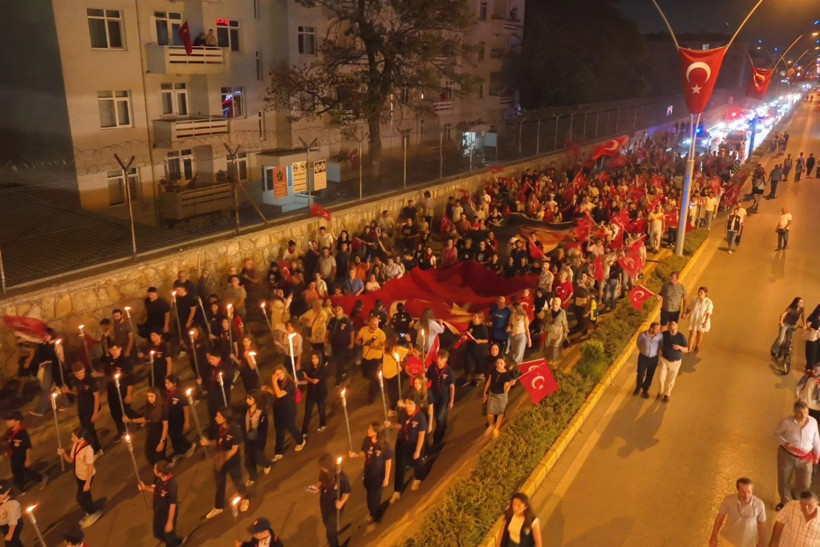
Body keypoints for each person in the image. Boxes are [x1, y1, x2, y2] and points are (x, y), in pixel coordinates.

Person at [200, 408, 250, 518]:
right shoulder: (219, 428)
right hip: (221, 458)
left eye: (218, 416)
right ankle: (218, 507)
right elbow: (219, 441)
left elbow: (234, 449)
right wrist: (207, 443)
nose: (215, 418)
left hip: (232, 461)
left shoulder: (234, 429)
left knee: (237, 481)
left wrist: (224, 459)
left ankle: (245, 498)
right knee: (220, 484)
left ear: (225, 418)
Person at [773, 401, 820, 511]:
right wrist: (785, 443)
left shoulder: (813, 422)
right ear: (794, 412)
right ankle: (785, 502)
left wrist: (817, 454)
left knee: (805, 483)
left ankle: (797, 498)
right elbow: (776, 434)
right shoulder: (786, 422)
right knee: (784, 479)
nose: (803, 415)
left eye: (806, 412)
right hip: (786, 455)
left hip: (805, 458)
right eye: (800, 413)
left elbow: (816, 439)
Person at [349, 422, 393, 524]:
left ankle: (376, 515)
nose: (368, 431)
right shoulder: (367, 440)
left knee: (374, 498)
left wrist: (386, 478)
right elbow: (363, 453)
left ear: (376, 432)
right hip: (368, 473)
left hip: (379, 476)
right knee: (369, 496)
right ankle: (373, 512)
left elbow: (388, 462)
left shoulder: (384, 445)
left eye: (370, 429)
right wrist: (356, 455)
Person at [58, 428, 102, 528]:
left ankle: (92, 513)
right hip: (79, 475)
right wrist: (63, 453)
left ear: (81, 438)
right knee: (85, 496)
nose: (72, 439)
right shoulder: (76, 445)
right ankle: (90, 512)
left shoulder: (88, 450)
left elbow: (90, 467)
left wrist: (87, 483)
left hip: (86, 476)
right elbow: (70, 460)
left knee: (80, 498)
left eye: (74, 437)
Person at [388, 395, 427, 502]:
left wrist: (418, 450)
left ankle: (418, 478)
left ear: (415, 405)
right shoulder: (403, 413)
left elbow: (421, 435)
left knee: (417, 461)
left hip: (414, 444)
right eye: (406, 403)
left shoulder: (420, 417)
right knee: (400, 467)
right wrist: (391, 425)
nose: (408, 406)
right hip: (402, 443)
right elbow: (400, 425)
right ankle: (397, 491)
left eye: (410, 404)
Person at [707, 477, 766, 547]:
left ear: (752, 491)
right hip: (729, 541)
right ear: (738, 490)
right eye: (743, 492)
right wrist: (714, 536)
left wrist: (761, 542)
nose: (746, 495)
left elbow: (761, 524)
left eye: (748, 492)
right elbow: (720, 519)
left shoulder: (759, 504)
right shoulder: (728, 500)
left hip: (749, 543)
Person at [308, 452, 351, 547]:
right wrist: (315, 487)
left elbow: (347, 492)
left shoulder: (341, 477)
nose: (322, 469)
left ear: (329, 466)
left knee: (330, 532)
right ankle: (334, 534)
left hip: (335, 507)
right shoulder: (323, 472)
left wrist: (341, 502)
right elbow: (320, 481)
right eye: (321, 467)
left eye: (324, 467)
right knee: (326, 522)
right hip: (324, 503)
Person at [138, 460, 183, 547]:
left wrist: (170, 522)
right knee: (157, 533)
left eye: (155, 469)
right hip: (158, 512)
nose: (153, 470)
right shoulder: (159, 479)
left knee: (169, 535)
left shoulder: (171, 485)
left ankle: (173, 543)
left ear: (160, 473)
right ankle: (176, 541)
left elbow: (173, 505)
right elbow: (157, 491)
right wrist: (145, 488)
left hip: (167, 513)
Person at [265, 366, 305, 461]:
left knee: (291, 427)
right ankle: (278, 452)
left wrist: (273, 381)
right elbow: (276, 393)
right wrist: (268, 389)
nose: (279, 375)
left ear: (285, 372)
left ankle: (300, 441)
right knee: (279, 431)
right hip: (278, 410)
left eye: (280, 373)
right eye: (276, 374)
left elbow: (279, 394)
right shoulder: (279, 382)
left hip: (288, 410)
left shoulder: (290, 383)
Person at [123, 386, 169, 466]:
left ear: (157, 396)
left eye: (152, 396)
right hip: (150, 435)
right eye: (148, 396)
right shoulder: (149, 406)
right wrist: (130, 420)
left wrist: (162, 442)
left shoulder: (163, 408)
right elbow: (145, 419)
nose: (149, 398)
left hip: (159, 436)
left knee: (159, 459)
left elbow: (165, 426)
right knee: (150, 455)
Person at [105, 343, 138, 442]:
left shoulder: (125, 361)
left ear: (120, 349)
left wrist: (129, 394)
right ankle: (122, 431)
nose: (113, 352)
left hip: (123, 390)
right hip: (112, 392)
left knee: (125, 411)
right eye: (111, 350)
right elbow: (107, 375)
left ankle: (139, 420)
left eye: (115, 349)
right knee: (115, 413)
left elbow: (130, 379)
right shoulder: (109, 361)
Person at [3, 411, 42, 493]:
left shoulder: (22, 432)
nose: (7, 422)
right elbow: (8, 441)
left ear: (17, 421)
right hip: (14, 456)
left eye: (10, 420)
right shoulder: (10, 431)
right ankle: (20, 488)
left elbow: (27, 446)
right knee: (16, 473)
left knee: (27, 472)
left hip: (22, 456)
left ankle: (41, 478)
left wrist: (28, 459)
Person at [426, 349, 455, 448]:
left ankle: (437, 438)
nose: (439, 360)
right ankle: (443, 424)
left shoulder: (449, 371)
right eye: (438, 358)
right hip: (434, 395)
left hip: (444, 397)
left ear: (445, 360)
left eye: (441, 359)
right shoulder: (432, 367)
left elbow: (452, 387)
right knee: (436, 415)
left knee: (440, 416)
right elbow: (427, 378)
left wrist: (451, 400)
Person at [242, 390, 271, 486]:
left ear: (256, 399)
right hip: (248, 439)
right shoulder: (246, 410)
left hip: (258, 440)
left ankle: (267, 464)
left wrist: (260, 442)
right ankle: (253, 476)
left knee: (258, 458)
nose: (247, 400)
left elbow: (263, 429)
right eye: (247, 398)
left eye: (250, 398)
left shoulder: (261, 413)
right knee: (247, 461)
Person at [356, 315, 387, 405]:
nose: (375, 326)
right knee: (366, 374)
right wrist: (362, 343)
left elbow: (384, 347)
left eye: (377, 324)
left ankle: (371, 396)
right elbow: (357, 340)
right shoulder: (363, 330)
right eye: (373, 324)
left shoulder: (381, 334)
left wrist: (374, 347)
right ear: (369, 323)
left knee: (372, 377)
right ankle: (377, 382)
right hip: (365, 357)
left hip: (376, 359)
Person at [483, 357, 516, 438]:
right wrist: (485, 392)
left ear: (505, 364)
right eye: (497, 363)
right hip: (492, 394)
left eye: (501, 363)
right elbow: (489, 381)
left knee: (500, 413)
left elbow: (505, 390)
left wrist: (509, 384)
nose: (499, 364)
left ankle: (496, 429)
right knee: (490, 412)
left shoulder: (507, 375)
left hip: (501, 396)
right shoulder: (493, 370)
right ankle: (491, 425)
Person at [656, 321, 688, 402]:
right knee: (661, 378)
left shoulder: (681, 337)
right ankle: (661, 391)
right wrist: (659, 349)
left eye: (675, 329)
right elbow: (659, 343)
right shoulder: (664, 334)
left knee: (670, 380)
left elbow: (687, 350)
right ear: (668, 328)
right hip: (664, 360)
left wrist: (680, 347)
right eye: (671, 329)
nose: (673, 331)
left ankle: (667, 394)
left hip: (675, 363)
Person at [163, 375, 194, 461]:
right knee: (172, 436)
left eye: (168, 383)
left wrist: (186, 421)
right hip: (169, 419)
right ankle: (178, 451)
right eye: (165, 383)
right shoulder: (166, 393)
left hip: (178, 419)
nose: (166, 385)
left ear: (174, 384)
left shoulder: (180, 393)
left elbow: (185, 407)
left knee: (177, 435)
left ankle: (189, 446)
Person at [464, 312, 490, 387]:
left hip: (479, 350)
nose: (473, 318)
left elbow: (486, 340)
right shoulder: (471, 324)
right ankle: (468, 377)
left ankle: (478, 378)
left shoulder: (483, 328)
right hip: (470, 347)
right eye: (473, 316)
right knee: (468, 362)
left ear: (480, 319)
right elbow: (469, 331)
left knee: (479, 366)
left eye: (475, 317)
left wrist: (480, 341)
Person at [684, 286, 714, 352]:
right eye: (699, 291)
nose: (699, 293)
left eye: (701, 292)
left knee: (699, 333)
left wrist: (706, 321)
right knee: (692, 333)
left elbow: (708, 312)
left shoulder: (708, 302)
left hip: (702, 320)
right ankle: (689, 348)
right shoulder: (694, 299)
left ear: (705, 293)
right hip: (694, 319)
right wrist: (685, 314)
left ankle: (697, 345)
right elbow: (690, 308)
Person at [543, 297, 569, 363]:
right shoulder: (549, 311)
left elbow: (565, 322)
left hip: (558, 331)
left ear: (559, 304)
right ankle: (548, 357)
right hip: (550, 331)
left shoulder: (562, 312)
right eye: (553, 303)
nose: (554, 305)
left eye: (556, 304)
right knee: (548, 344)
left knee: (555, 346)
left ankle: (555, 359)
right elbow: (545, 320)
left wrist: (565, 332)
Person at [0, 481, 23, 547]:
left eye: (1, 493)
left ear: (8, 491)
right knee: (15, 542)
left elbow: (13, 521)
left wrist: (10, 534)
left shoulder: (12, 504)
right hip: (3, 523)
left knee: (11, 542)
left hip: (13, 525)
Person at [804, 304, 820, 371]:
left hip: (818, 337)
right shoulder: (813, 316)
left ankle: (816, 366)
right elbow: (807, 324)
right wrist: (809, 328)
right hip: (812, 337)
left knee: (818, 352)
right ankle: (809, 367)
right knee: (811, 352)